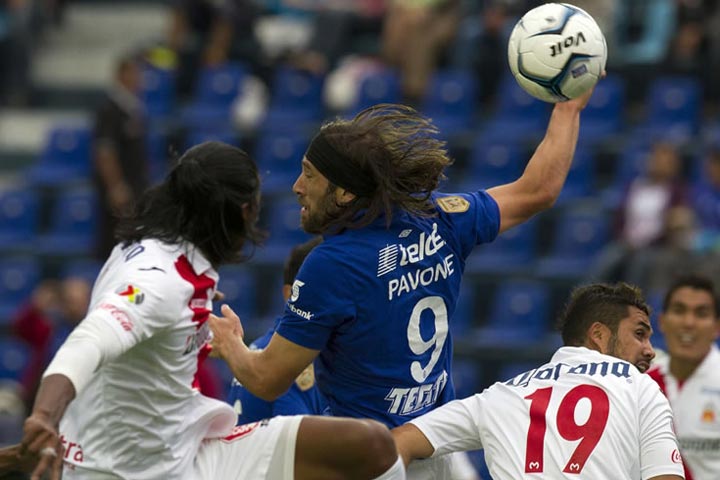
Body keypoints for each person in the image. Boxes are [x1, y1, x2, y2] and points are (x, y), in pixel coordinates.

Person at [209, 81, 600, 477]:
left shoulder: (332, 265)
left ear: (344, 194)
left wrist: (230, 345)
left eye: (309, 175)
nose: (296, 187)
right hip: (434, 446)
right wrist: (568, 109)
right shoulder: (442, 218)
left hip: (375, 460)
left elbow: (267, 380)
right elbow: (539, 190)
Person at [10, 142, 406, 480]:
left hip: (183, 449)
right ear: (242, 212)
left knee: (369, 445)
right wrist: (44, 416)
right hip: (134, 471)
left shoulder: (161, 251)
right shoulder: (161, 281)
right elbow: (88, 340)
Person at [392, 282, 685, 480]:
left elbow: (399, 441)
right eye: (639, 334)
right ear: (599, 335)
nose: (650, 349)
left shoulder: (500, 395)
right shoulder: (641, 387)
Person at [227, 236, 329, 423]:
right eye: (325, 290)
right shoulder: (292, 360)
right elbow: (296, 438)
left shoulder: (268, 348)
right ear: (290, 294)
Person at [648, 274, 720, 480]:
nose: (689, 322)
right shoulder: (644, 383)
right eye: (679, 311)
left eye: (701, 314)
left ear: (717, 327)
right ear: (662, 322)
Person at [92, 53, 150, 260]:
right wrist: (116, 186)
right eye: (134, 73)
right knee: (114, 243)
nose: (139, 78)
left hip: (135, 187)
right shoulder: (110, 109)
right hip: (121, 191)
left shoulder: (133, 107)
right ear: (122, 75)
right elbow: (105, 151)